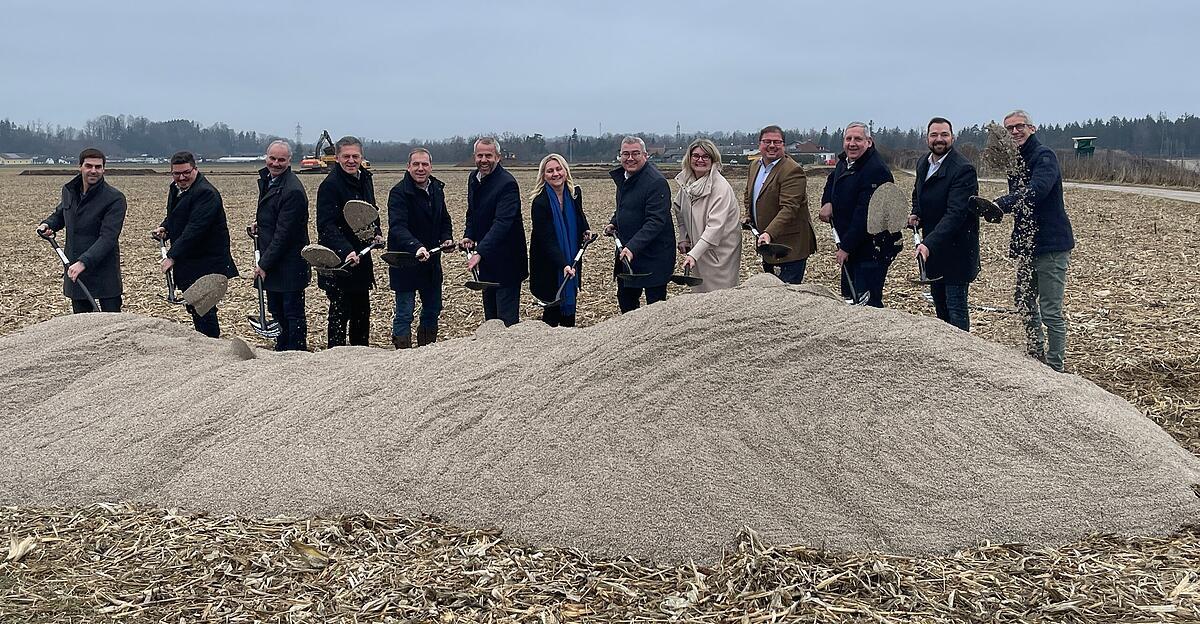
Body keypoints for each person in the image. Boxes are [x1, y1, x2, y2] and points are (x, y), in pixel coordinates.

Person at [989, 109, 1075, 371]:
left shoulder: (1043, 156)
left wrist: (1002, 204)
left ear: (1032, 128)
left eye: (1020, 126)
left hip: (1050, 245)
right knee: (1023, 301)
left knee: (1050, 310)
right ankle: (1035, 353)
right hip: (1028, 245)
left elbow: (1037, 190)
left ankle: (1056, 367)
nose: (1015, 132)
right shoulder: (1015, 162)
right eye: (1009, 129)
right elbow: (1021, 204)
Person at [152, 151, 238, 337]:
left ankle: (211, 347)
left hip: (206, 264)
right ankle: (204, 345)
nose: (181, 177)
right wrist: (165, 227)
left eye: (186, 173)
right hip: (190, 261)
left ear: (195, 170)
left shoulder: (206, 194)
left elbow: (195, 229)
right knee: (194, 308)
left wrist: (172, 256)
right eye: (177, 173)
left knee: (204, 309)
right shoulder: (177, 188)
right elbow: (179, 214)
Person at [908, 117, 980, 331]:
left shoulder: (963, 169)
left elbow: (956, 214)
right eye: (934, 135)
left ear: (952, 137)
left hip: (957, 251)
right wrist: (916, 213)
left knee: (956, 310)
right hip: (934, 249)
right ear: (927, 138)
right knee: (940, 309)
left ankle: (963, 356)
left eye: (944, 135)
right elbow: (918, 193)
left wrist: (928, 244)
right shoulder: (923, 163)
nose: (939, 139)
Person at [818, 122, 899, 307]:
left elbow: (866, 215)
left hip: (871, 250)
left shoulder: (875, 170)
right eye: (848, 139)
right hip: (852, 247)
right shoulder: (845, 162)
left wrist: (846, 247)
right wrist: (827, 202)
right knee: (849, 300)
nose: (852, 143)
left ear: (869, 142)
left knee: (867, 305)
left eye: (858, 139)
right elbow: (831, 182)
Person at [38, 148, 127, 313]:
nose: (93, 171)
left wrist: (84, 262)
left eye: (98, 167)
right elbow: (62, 213)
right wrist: (48, 224)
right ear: (80, 167)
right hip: (76, 270)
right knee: (82, 326)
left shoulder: (114, 198)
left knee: (113, 326)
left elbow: (108, 237)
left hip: (103, 272)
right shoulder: (70, 191)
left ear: (104, 169)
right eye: (89, 166)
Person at [316, 135, 381, 348]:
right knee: (340, 313)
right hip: (339, 263)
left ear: (362, 157)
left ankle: (360, 356)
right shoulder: (330, 186)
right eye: (346, 156)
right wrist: (346, 251)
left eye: (355, 156)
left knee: (362, 313)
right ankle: (335, 358)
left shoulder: (365, 179)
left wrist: (376, 233)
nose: (351, 160)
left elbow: (370, 213)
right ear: (337, 158)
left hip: (362, 259)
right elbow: (327, 225)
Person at [387, 148, 453, 348]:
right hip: (405, 261)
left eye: (424, 164)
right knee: (404, 313)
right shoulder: (399, 193)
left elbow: (444, 220)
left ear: (431, 167)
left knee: (432, 309)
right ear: (408, 167)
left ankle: (426, 351)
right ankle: (403, 354)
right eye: (416, 164)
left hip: (431, 263)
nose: (420, 168)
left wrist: (446, 238)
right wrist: (416, 247)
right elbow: (398, 226)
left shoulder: (436, 190)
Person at [462, 137, 527, 327]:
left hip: (508, 264)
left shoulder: (507, 184)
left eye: (488, 155)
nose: (484, 160)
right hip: (487, 263)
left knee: (506, 324)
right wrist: (469, 234)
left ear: (498, 157)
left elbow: (502, 223)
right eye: (480, 155)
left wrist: (480, 252)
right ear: (474, 156)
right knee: (491, 321)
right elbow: (472, 212)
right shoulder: (473, 179)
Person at [605, 136, 674, 312]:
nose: (630, 158)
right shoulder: (625, 177)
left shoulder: (656, 182)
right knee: (627, 306)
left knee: (654, 311)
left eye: (635, 153)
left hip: (653, 257)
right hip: (628, 257)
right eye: (625, 154)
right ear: (619, 156)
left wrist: (632, 247)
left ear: (645, 155)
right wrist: (615, 222)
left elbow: (656, 221)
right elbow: (626, 207)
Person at [254, 140, 311, 351]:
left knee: (292, 314)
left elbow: (284, 235)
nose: (276, 163)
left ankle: (295, 352)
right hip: (275, 262)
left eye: (281, 160)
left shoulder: (292, 190)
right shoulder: (269, 180)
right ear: (266, 157)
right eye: (272, 158)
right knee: (276, 311)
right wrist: (259, 224)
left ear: (289, 161)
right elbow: (273, 216)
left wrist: (264, 265)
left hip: (289, 265)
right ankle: (282, 349)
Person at [743, 125, 816, 283]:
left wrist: (769, 233)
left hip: (789, 247)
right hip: (768, 246)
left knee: (787, 297)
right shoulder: (755, 166)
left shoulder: (792, 171)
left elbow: (789, 208)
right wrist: (749, 216)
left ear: (783, 145)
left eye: (777, 142)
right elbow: (749, 193)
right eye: (767, 141)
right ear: (759, 144)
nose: (771, 146)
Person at [529, 153, 591, 326]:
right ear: (543, 175)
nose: (555, 174)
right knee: (552, 313)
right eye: (550, 171)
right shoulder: (540, 203)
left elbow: (580, 216)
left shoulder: (574, 194)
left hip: (571, 258)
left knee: (569, 315)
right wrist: (563, 264)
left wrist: (585, 229)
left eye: (558, 169)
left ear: (565, 171)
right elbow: (546, 239)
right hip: (548, 265)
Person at [673, 138, 740, 292]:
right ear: (689, 158)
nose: (700, 160)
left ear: (713, 159)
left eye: (706, 156)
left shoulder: (720, 188)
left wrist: (693, 254)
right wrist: (684, 237)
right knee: (700, 296)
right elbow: (679, 209)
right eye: (696, 156)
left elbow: (715, 227)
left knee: (720, 296)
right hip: (698, 250)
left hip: (719, 253)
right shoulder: (687, 183)